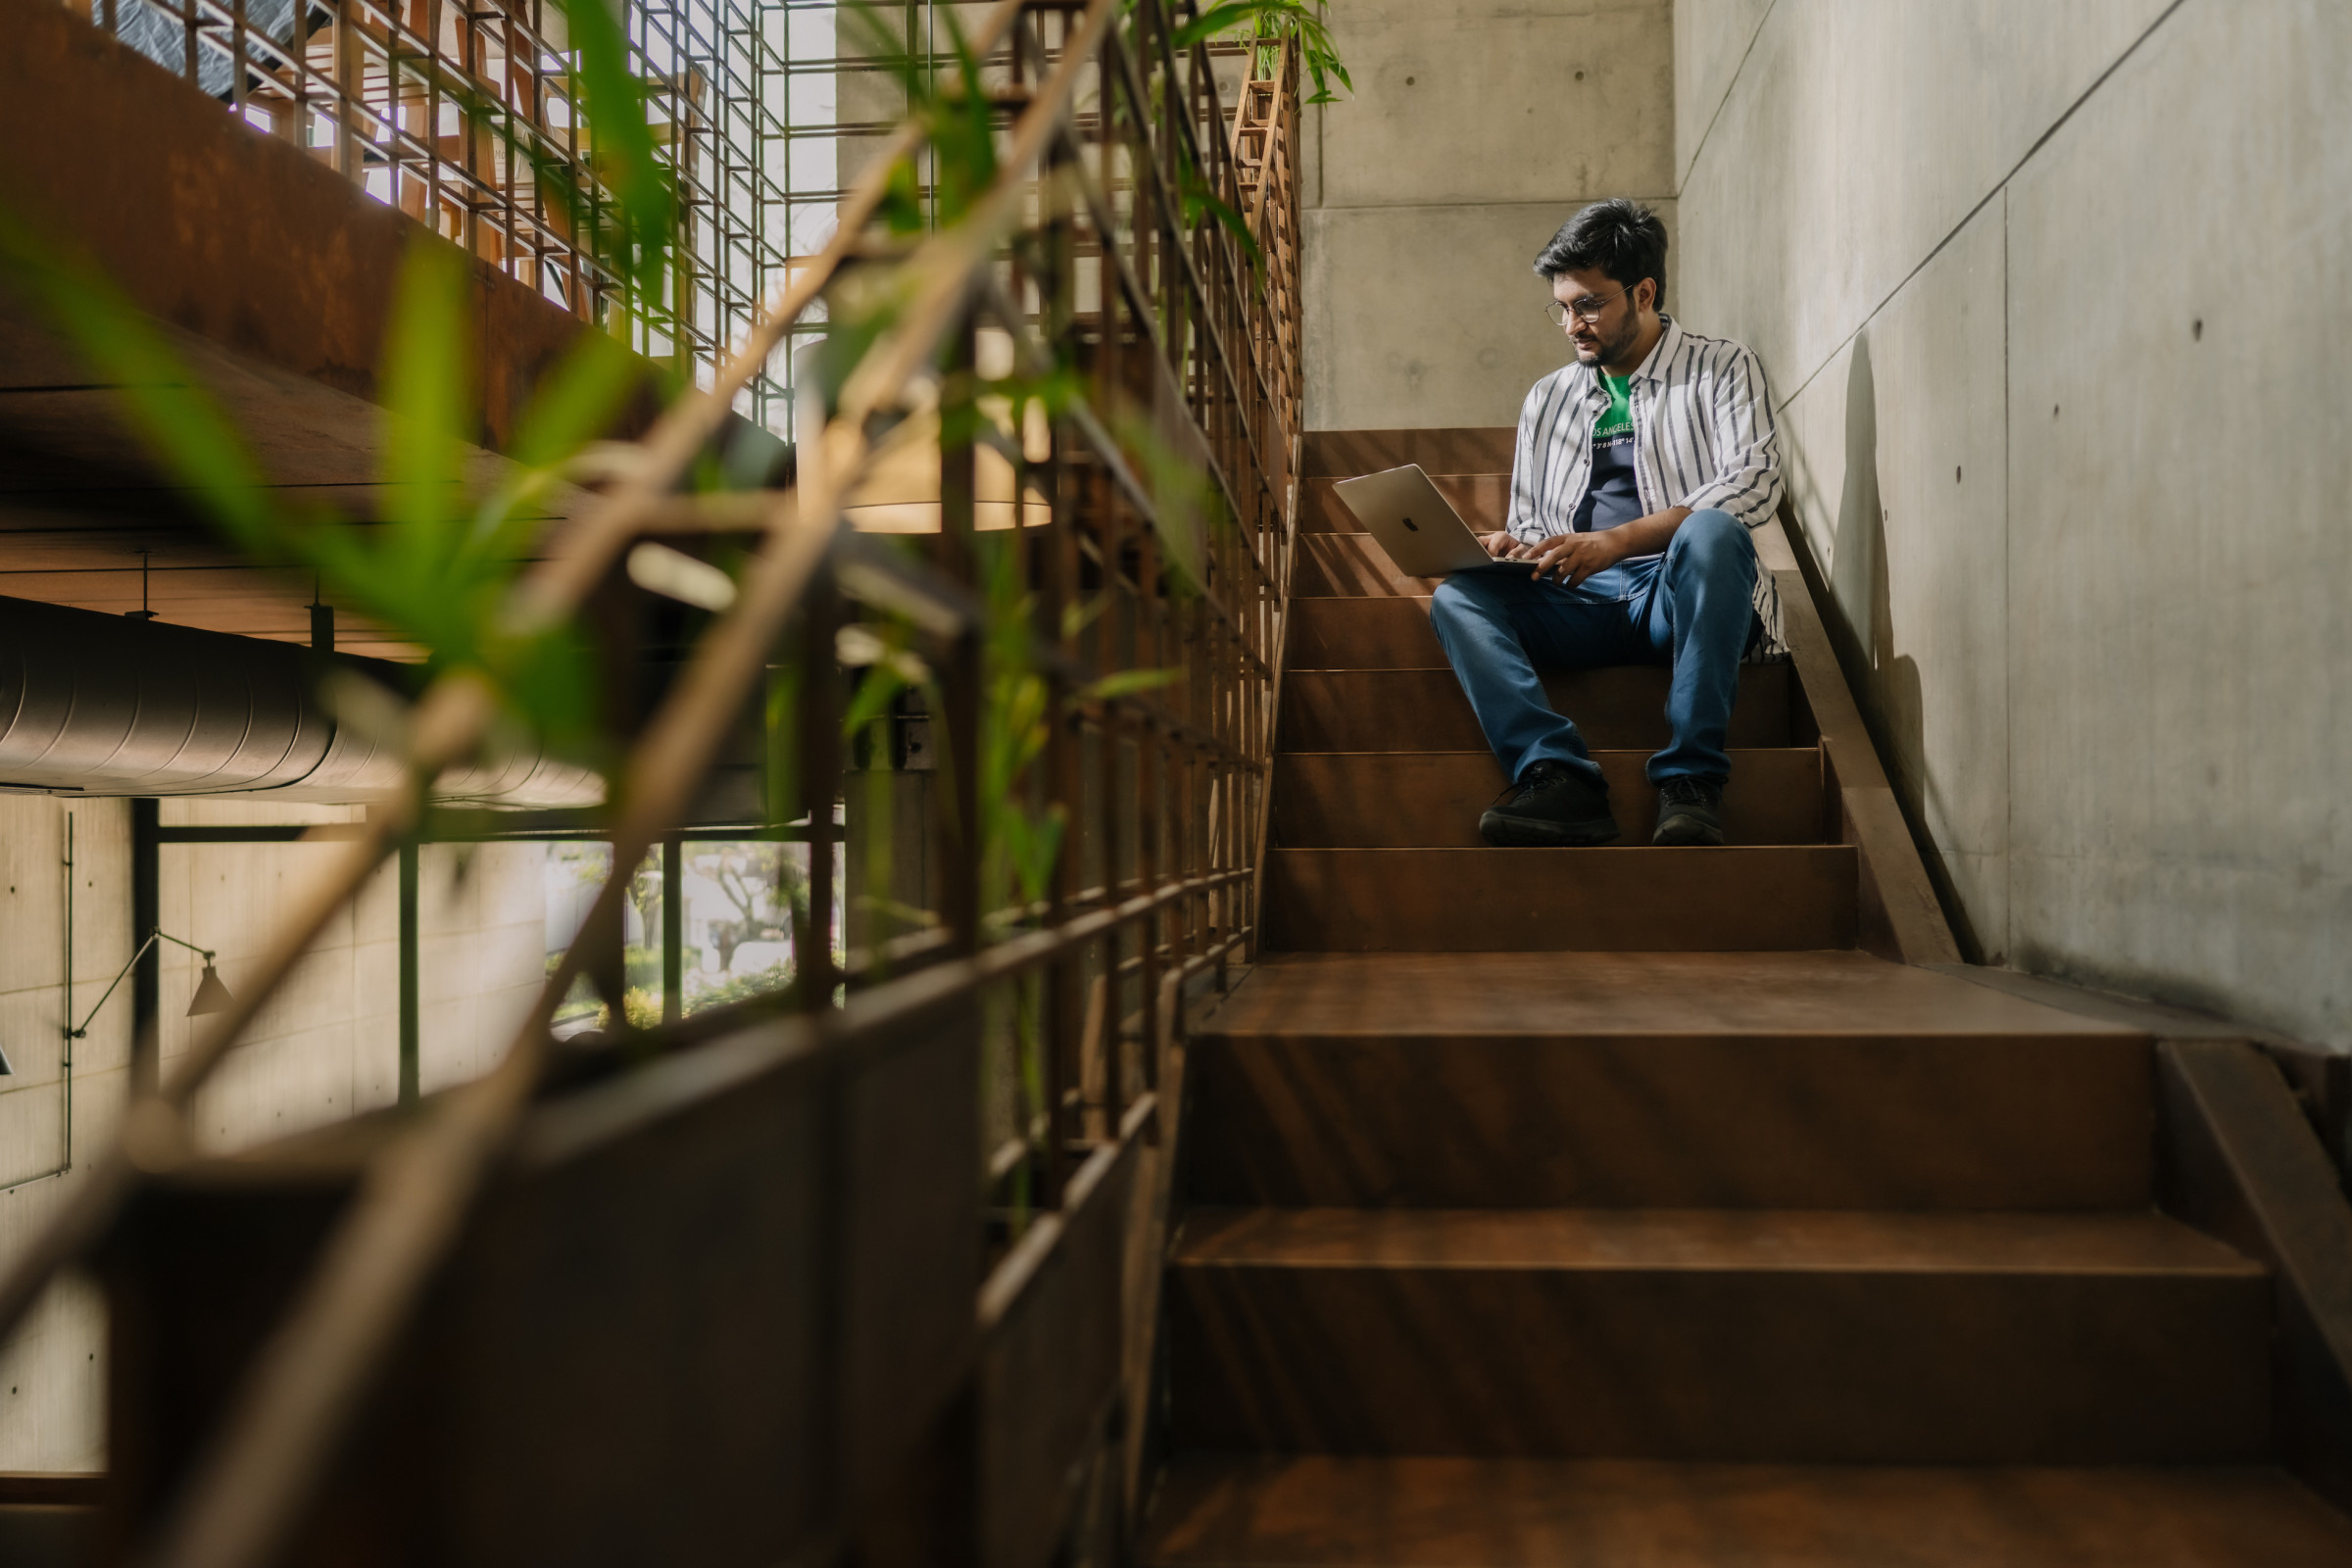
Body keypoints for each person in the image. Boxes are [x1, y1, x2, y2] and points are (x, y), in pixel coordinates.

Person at [1431, 199, 1787, 849]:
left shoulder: (1722, 366)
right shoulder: (1549, 397)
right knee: (1458, 597)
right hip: (1579, 599)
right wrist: (1516, 546)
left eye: (1589, 304)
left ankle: (1691, 782)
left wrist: (1619, 541)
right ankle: (1557, 775)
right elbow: (1534, 516)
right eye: (1562, 306)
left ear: (1643, 292)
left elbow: (1754, 481)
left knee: (1713, 533)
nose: (1572, 324)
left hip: (1677, 596)